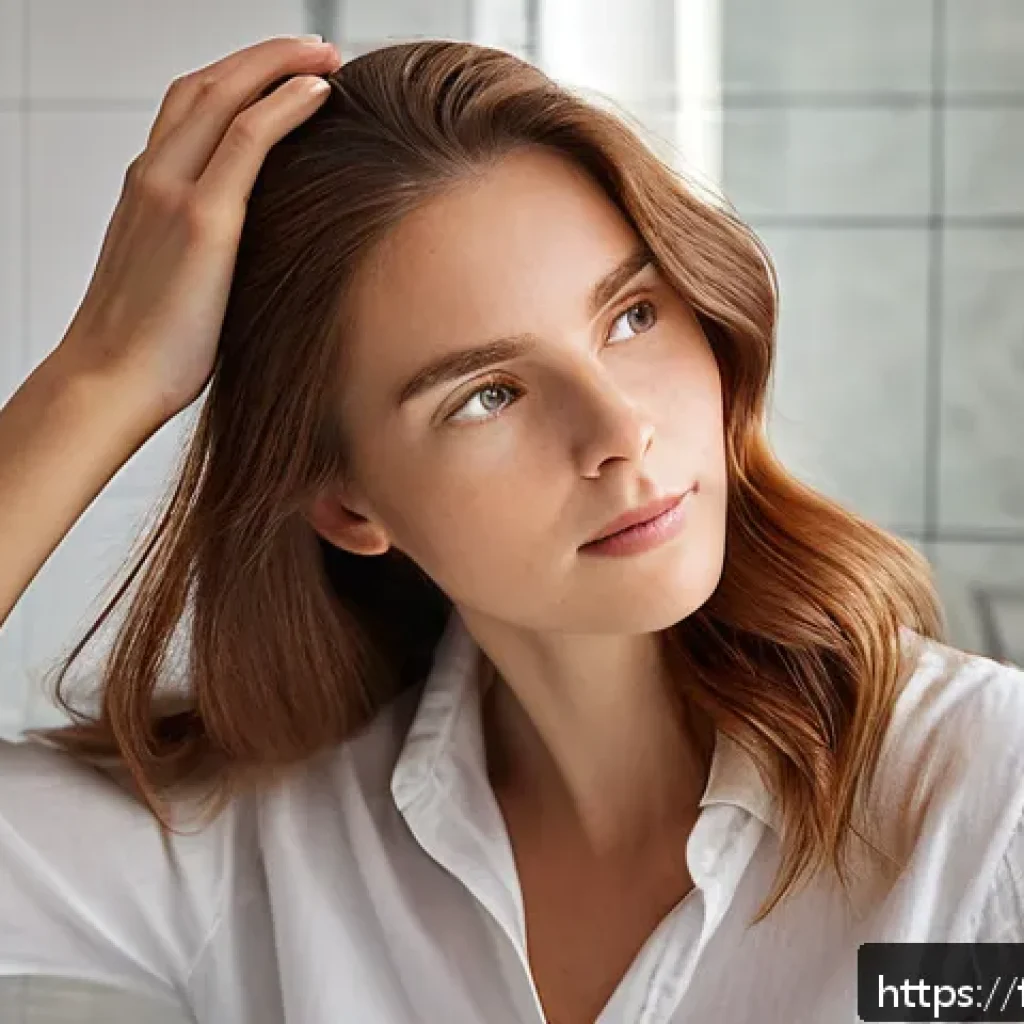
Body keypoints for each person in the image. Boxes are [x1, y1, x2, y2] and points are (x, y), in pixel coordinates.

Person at [0, 31, 1022, 1024]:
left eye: (631, 315)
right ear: (351, 506)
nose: (622, 431)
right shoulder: (256, 848)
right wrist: (101, 378)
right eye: (487, 394)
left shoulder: (981, 800)